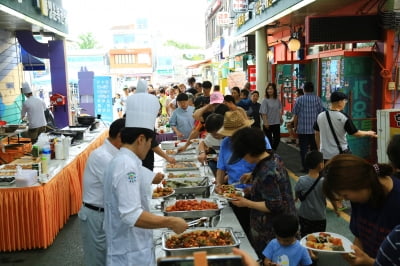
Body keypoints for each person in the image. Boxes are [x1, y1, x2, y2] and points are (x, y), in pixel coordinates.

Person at [103, 89, 188, 265]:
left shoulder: (127, 160)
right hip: (129, 253)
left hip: (134, 247)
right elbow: (131, 215)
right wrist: (170, 221)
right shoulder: (126, 166)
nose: (150, 148)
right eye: (150, 143)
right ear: (141, 139)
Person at [229, 127, 297, 258]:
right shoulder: (272, 155)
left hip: (274, 230)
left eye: (243, 155)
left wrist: (246, 203)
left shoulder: (267, 172)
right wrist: (253, 177)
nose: (243, 159)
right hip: (285, 222)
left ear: (250, 152)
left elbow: (275, 205)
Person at [323, 154, 400, 259]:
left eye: (345, 195)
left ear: (360, 183)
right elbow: (359, 237)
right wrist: (355, 254)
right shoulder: (360, 199)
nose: (345, 199)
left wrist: (368, 262)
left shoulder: (396, 201)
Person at [78, 118, 125, 266]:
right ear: (120, 136)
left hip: (107, 214)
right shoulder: (102, 156)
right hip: (96, 216)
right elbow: (118, 186)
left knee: (109, 258)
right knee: (97, 260)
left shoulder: (116, 153)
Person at [314, 91, 377, 161]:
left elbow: (317, 133)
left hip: (325, 155)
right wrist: (368, 133)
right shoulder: (343, 117)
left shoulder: (320, 116)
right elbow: (355, 133)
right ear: (339, 102)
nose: (345, 103)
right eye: (345, 101)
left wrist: (319, 148)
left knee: (328, 171)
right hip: (340, 154)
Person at [294, 150, 326, 263]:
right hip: (320, 216)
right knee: (318, 238)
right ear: (320, 165)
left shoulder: (302, 180)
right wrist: (337, 208)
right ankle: (314, 253)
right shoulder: (324, 182)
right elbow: (330, 197)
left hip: (304, 214)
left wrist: (296, 198)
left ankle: (308, 254)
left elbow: (297, 192)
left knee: (305, 235)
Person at [292, 82, 324, 172]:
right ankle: (315, 167)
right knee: (315, 149)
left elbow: (296, 115)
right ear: (312, 89)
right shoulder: (317, 99)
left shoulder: (299, 100)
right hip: (315, 130)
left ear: (304, 89)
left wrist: (295, 126)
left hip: (302, 129)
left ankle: (305, 168)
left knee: (303, 149)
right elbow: (321, 114)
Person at [260, 83, 283, 150]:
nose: (269, 90)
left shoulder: (277, 99)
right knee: (269, 141)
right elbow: (263, 113)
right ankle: (270, 153)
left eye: (271, 89)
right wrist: (265, 122)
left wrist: (280, 118)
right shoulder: (265, 100)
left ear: (274, 90)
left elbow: (279, 109)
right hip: (268, 123)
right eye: (268, 89)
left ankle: (272, 151)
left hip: (276, 122)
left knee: (277, 139)